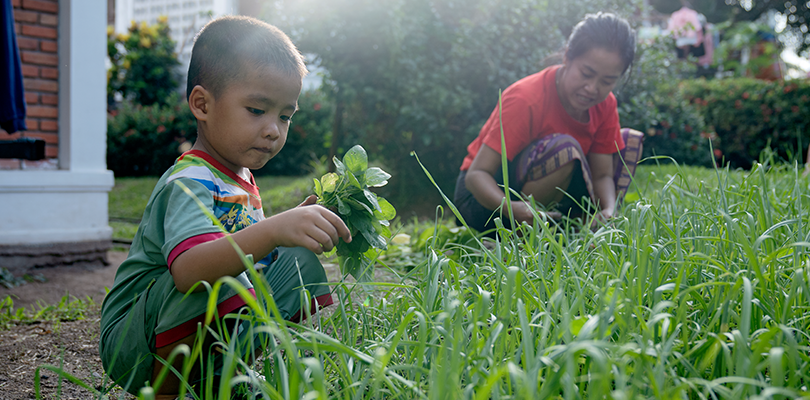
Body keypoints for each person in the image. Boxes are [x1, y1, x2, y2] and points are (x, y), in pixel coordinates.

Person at [98, 16, 352, 398]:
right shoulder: (189, 180)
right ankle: (169, 393)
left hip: (185, 324)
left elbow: (251, 254)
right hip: (135, 341)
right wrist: (272, 229)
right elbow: (190, 271)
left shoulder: (241, 178)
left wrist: (291, 228)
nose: (273, 130)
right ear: (202, 104)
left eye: (285, 116)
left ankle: (219, 376)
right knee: (217, 275)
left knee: (297, 262)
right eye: (257, 110)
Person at [454, 12, 643, 234]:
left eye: (607, 81)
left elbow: (602, 175)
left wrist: (609, 209)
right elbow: (477, 175)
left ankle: (579, 229)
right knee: (564, 148)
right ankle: (519, 241)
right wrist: (512, 209)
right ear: (567, 58)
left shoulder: (605, 104)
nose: (592, 88)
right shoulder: (525, 99)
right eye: (586, 74)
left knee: (627, 142)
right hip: (486, 201)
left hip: (551, 195)